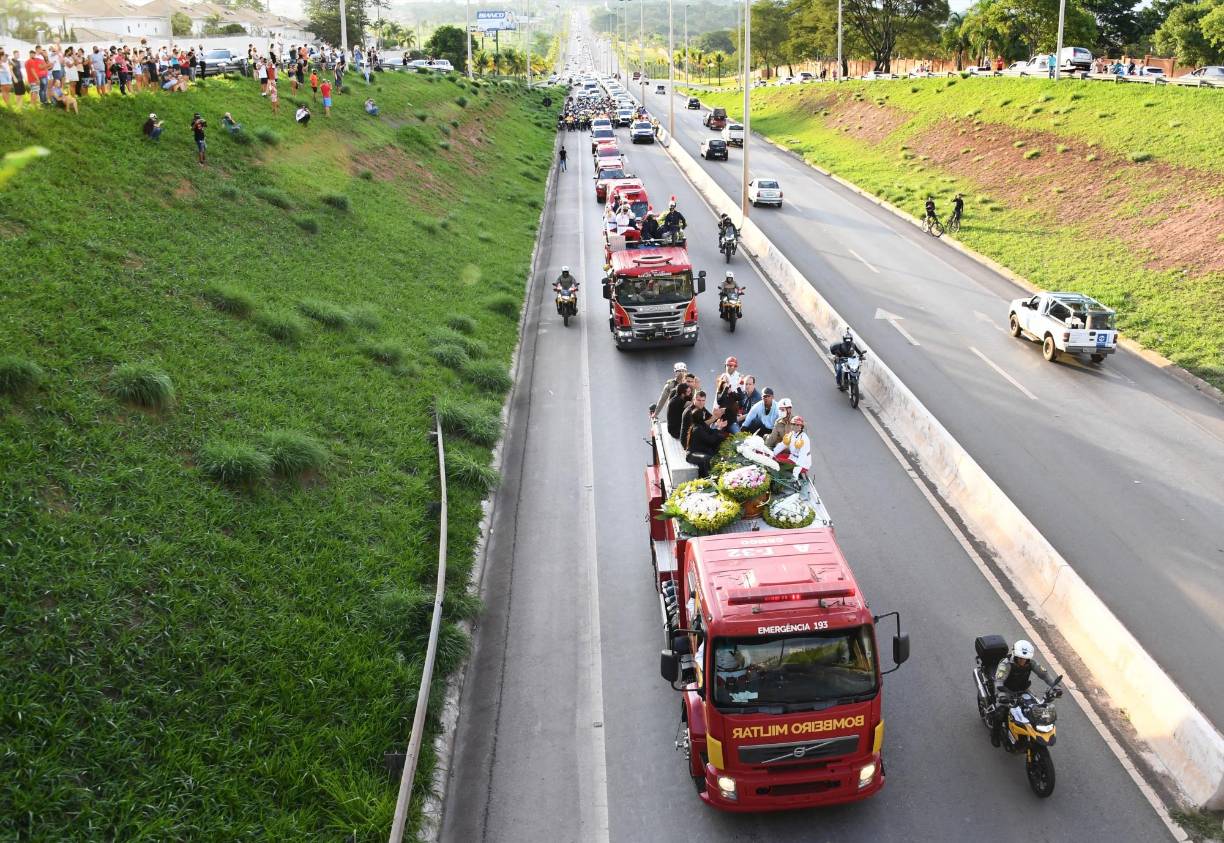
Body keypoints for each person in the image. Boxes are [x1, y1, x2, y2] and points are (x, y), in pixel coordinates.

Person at [991, 639, 1061, 746]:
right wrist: (1003, 696)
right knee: (1001, 711)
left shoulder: (1031, 663)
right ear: (1015, 655)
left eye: (1025, 659)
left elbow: (1045, 675)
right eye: (1020, 658)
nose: (1023, 661)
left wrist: (1055, 686)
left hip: (1023, 690)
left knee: (1036, 707)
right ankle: (995, 735)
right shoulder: (1005, 664)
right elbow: (999, 682)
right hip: (1005, 690)